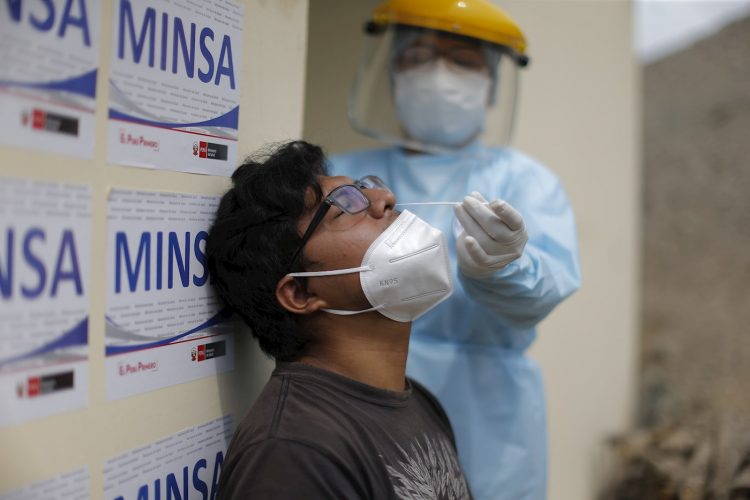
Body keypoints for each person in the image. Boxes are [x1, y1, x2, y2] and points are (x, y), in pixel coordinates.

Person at [329, 1, 582, 498]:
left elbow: (548, 288)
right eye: (419, 54)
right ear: (394, 71)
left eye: (463, 60)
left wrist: (503, 268)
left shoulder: (525, 181)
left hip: (490, 418)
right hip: (361, 395)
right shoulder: (343, 172)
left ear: (490, 84)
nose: (439, 74)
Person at [206, 140, 472, 499]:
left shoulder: (419, 402)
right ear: (301, 294)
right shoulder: (293, 451)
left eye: (364, 187)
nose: (384, 197)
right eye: (346, 207)